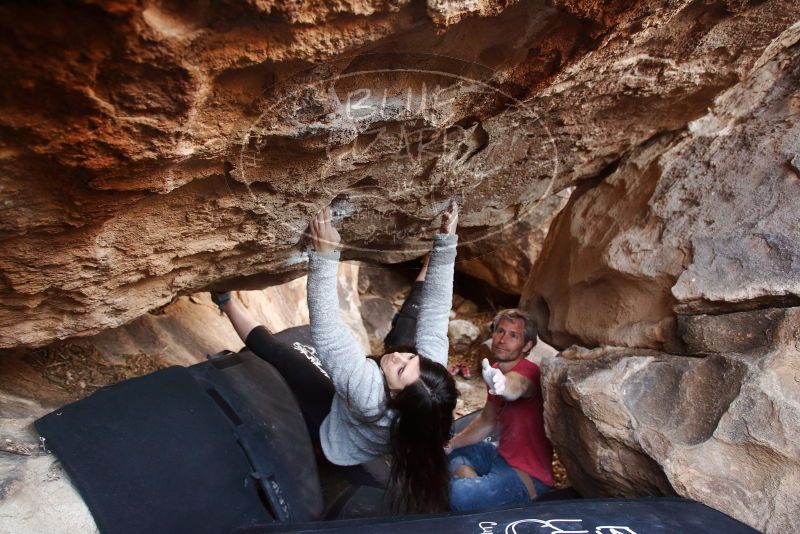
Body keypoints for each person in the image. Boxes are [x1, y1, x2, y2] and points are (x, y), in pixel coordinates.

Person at [213, 202, 459, 513]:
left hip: (340, 433)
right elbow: (436, 314)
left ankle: (224, 302)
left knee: (283, 357)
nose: (398, 357)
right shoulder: (430, 387)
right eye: (411, 360)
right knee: (409, 324)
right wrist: (447, 242)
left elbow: (328, 331)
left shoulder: (366, 392)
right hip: (394, 410)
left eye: (401, 369)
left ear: (396, 395)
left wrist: (325, 254)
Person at [445, 309, 553, 511]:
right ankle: (477, 486)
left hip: (527, 476)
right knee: (447, 450)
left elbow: (517, 387)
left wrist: (502, 384)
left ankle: (475, 490)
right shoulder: (494, 369)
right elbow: (486, 420)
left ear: (527, 345)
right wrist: (450, 444)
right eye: (500, 331)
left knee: (458, 495)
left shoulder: (528, 371)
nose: (503, 340)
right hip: (500, 456)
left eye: (514, 336)